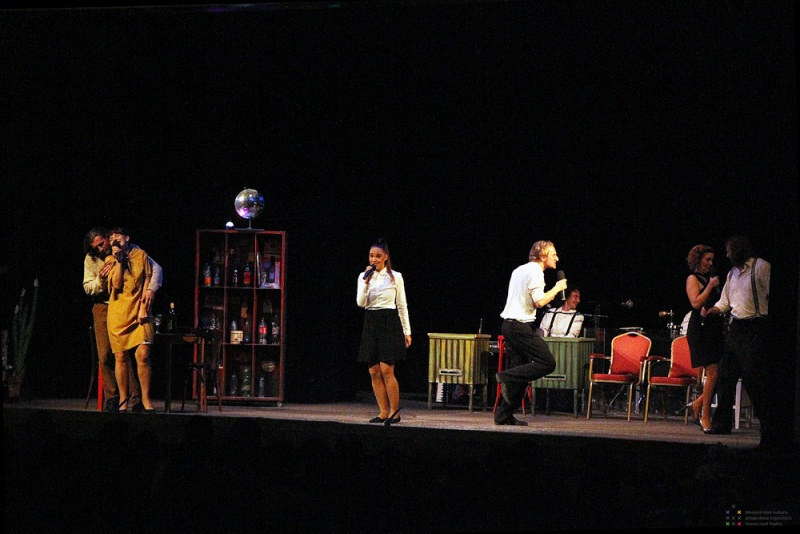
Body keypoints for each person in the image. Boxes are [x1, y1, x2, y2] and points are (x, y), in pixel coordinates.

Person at [701, 235, 779, 449]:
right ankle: (722, 424)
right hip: (736, 328)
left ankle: (768, 426)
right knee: (725, 376)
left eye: (729, 251)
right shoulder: (732, 273)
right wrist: (713, 310)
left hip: (755, 326)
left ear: (738, 250)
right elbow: (725, 302)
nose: (726, 255)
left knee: (753, 378)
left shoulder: (760, 267)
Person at [83, 227, 163, 412]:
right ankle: (114, 397)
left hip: (134, 305)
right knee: (106, 355)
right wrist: (102, 279)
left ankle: (137, 398)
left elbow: (155, 270)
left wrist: (150, 291)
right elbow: (89, 287)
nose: (101, 248)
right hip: (105, 305)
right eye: (96, 248)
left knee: (137, 354)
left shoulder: (137, 252)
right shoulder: (93, 259)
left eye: (102, 244)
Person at [496, 240, 568, 426]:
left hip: (509, 325)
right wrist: (557, 288)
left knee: (522, 374)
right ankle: (506, 376)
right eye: (553, 254)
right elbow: (539, 302)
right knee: (547, 362)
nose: (557, 258)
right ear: (543, 256)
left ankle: (503, 416)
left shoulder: (519, 270)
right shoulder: (536, 272)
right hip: (519, 326)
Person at [356, 238, 411, 425]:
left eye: (378, 256)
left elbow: (402, 305)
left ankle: (395, 412)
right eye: (371, 256)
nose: (374, 259)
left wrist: (407, 331)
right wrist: (366, 282)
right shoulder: (363, 277)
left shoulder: (396, 276)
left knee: (387, 369)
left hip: (389, 322)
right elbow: (360, 303)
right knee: (373, 370)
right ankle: (383, 411)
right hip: (371, 321)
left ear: (385, 257)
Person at [105, 227, 158, 413]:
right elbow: (116, 284)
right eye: (111, 237)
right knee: (120, 357)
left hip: (139, 311)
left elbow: (148, 279)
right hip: (119, 312)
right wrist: (119, 261)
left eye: (117, 236)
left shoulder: (141, 255)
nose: (114, 239)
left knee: (143, 355)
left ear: (127, 238)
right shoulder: (110, 260)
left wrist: (144, 308)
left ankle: (145, 399)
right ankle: (123, 399)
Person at [684, 244, 723, 433]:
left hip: (714, 327)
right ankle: (705, 416)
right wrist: (709, 286)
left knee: (720, 373)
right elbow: (695, 302)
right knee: (713, 372)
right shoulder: (692, 278)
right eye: (707, 259)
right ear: (698, 260)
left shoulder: (711, 278)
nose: (710, 263)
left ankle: (698, 403)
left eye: (712, 260)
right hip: (700, 329)